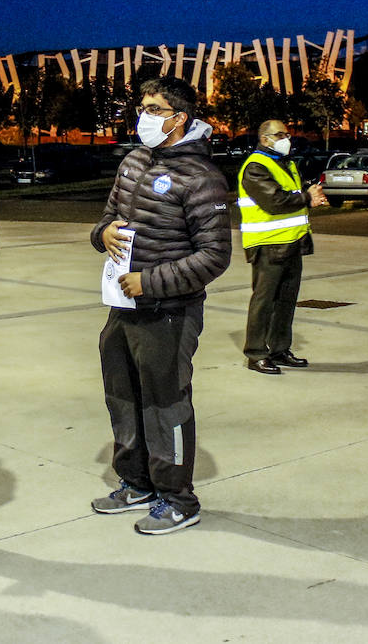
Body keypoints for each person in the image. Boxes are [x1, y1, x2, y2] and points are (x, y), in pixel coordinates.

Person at [90, 76, 231, 534]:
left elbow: (214, 255)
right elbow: (110, 218)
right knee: (123, 393)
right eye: (143, 107)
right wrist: (102, 234)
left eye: (154, 109)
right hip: (123, 306)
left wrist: (150, 282)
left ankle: (177, 498)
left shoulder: (201, 176)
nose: (144, 116)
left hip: (170, 311)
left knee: (165, 403)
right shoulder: (133, 161)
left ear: (179, 119)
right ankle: (137, 482)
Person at [237, 119, 327, 374]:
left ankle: (279, 349)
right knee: (264, 302)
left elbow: (289, 200)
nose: (286, 138)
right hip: (267, 246)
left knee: (286, 301)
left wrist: (308, 198)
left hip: (291, 243)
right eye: (280, 135)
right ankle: (256, 353)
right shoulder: (256, 166)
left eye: (287, 134)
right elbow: (274, 201)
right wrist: (307, 197)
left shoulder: (285, 163)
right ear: (264, 139)